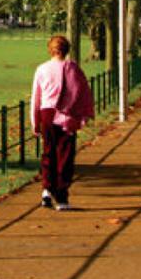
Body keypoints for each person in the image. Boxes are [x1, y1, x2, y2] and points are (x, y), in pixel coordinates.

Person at [31, 34, 95, 212]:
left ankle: (46, 190)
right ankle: (61, 196)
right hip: (67, 116)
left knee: (48, 153)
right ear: (66, 49)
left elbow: (36, 98)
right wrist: (82, 116)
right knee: (65, 156)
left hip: (47, 114)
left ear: (50, 50)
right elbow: (82, 93)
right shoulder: (73, 69)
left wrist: (34, 121)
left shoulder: (42, 69)